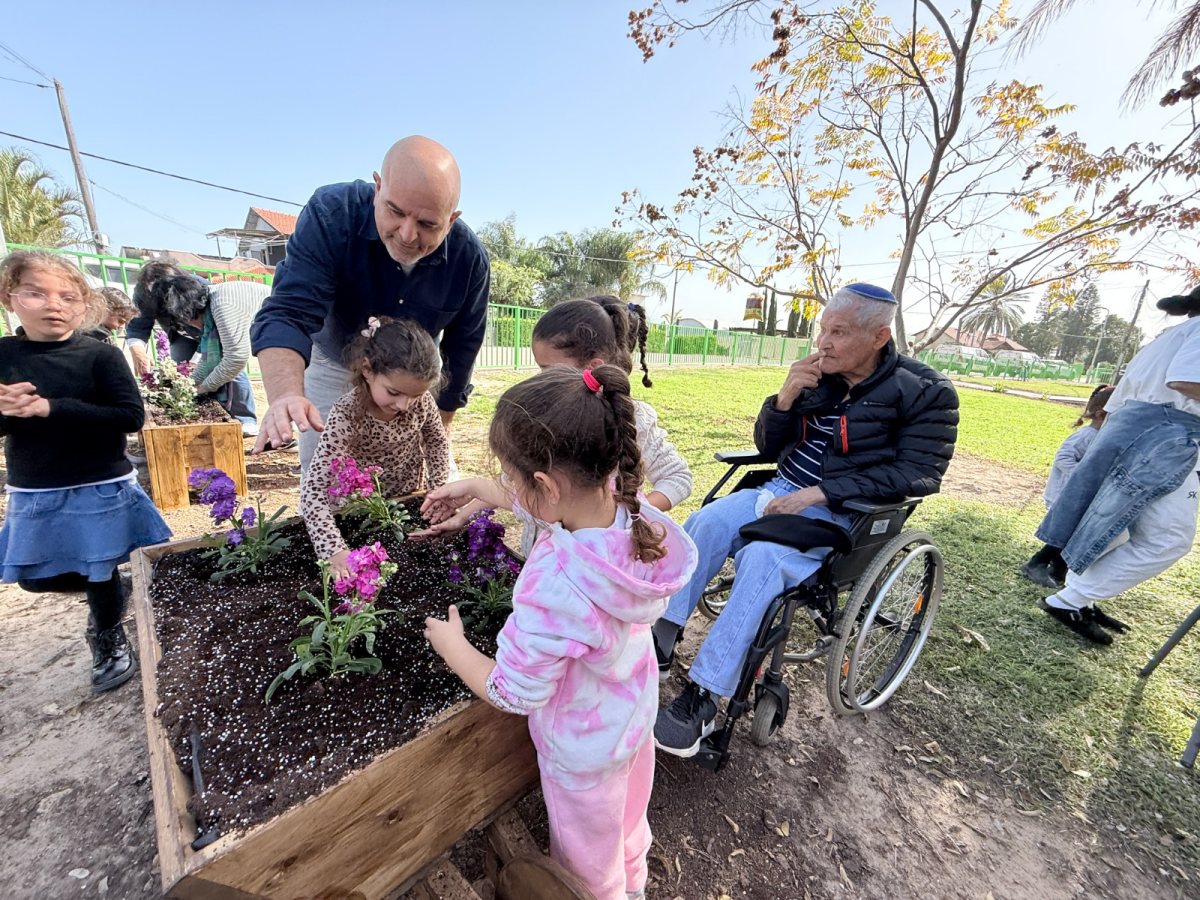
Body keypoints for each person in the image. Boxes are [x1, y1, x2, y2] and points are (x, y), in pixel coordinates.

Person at [422, 365, 698, 900]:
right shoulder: (628, 515)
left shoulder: (555, 584)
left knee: (587, 866)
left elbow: (513, 690)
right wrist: (481, 489)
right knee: (627, 828)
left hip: (583, 752)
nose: (506, 487)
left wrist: (454, 647)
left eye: (510, 477)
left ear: (545, 486)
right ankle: (634, 885)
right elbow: (551, 511)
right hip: (632, 721)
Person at [652, 283, 959, 758]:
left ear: (878, 337)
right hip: (777, 490)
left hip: (839, 512)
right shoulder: (821, 377)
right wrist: (783, 399)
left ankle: (706, 696)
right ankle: (663, 638)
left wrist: (822, 492)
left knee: (762, 560)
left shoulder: (925, 392)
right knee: (705, 524)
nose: (824, 343)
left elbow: (920, 472)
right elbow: (769, 448)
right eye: (823, 330)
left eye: (838, 332)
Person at [249, 136, 490, 470]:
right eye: (395, 211)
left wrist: (443, 420)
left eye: (427, 224)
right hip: (334, 358)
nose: (407, 234)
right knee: (328, 473)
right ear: (378, 187)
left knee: (415, 475)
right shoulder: (332, 215)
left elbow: (464, 347)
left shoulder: (469, 259)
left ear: (450, 221)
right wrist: (286, 395)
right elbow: (289, 312)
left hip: (412, 379)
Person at [0, 251, 172, 692]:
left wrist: (50, 409)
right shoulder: (5, 356)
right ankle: (114, 594)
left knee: (99, 570)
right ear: (10, 298)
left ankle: (108, 631)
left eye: (68, 296)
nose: (54, 305)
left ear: (84, 305)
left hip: (100, 481)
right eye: (36, 293)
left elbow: (130, 416)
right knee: (34, 579)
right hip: (36, 485)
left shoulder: (99, 356)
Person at [412, 296, 693, 552]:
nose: (540, 378)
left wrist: (620, 518)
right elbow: (517, 484)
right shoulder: (546, 413)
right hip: (541, 556)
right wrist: (464, 514)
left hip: (593, 562)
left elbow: (677, 478)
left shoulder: (632, 417)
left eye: (548, 369)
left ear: (592, 366)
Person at [1029, 286, 1200, 645]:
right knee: (1168, 539)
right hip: (1164, 437)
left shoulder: (1167, 337)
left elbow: (1119, 399)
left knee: (1113, 525)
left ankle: (1082, 596)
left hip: (1128, 430)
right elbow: (1185, 381)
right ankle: (1070, 599)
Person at [301, 317, 450, 579]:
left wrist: (437, 489)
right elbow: (314, 490)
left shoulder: (422, 402)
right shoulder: (347, 414)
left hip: (406, 498)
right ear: (368, 370)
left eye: (414, 395)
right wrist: (334, 551)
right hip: (361, 508)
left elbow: (437, 443)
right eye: (393, 393)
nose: (404, 405)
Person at [153, 273, 270, 437]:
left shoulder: (222, 306)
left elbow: (235, 359)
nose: (187, 325)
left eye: (183, 321)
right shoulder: (210, 306)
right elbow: (207, 360)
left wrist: (204, 387)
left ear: (186, 312)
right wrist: (190, 385)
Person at [1021, 383, 1115, 588]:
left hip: (1081, 496)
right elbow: (1064, 457)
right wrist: (1082, 476)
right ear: (1100, 415)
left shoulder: (1101, 437)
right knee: (1067, 532)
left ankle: (1059, 569)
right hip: (1066, 495)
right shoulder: (1086, 436)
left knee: (1075, 532)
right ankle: (1036, 563)